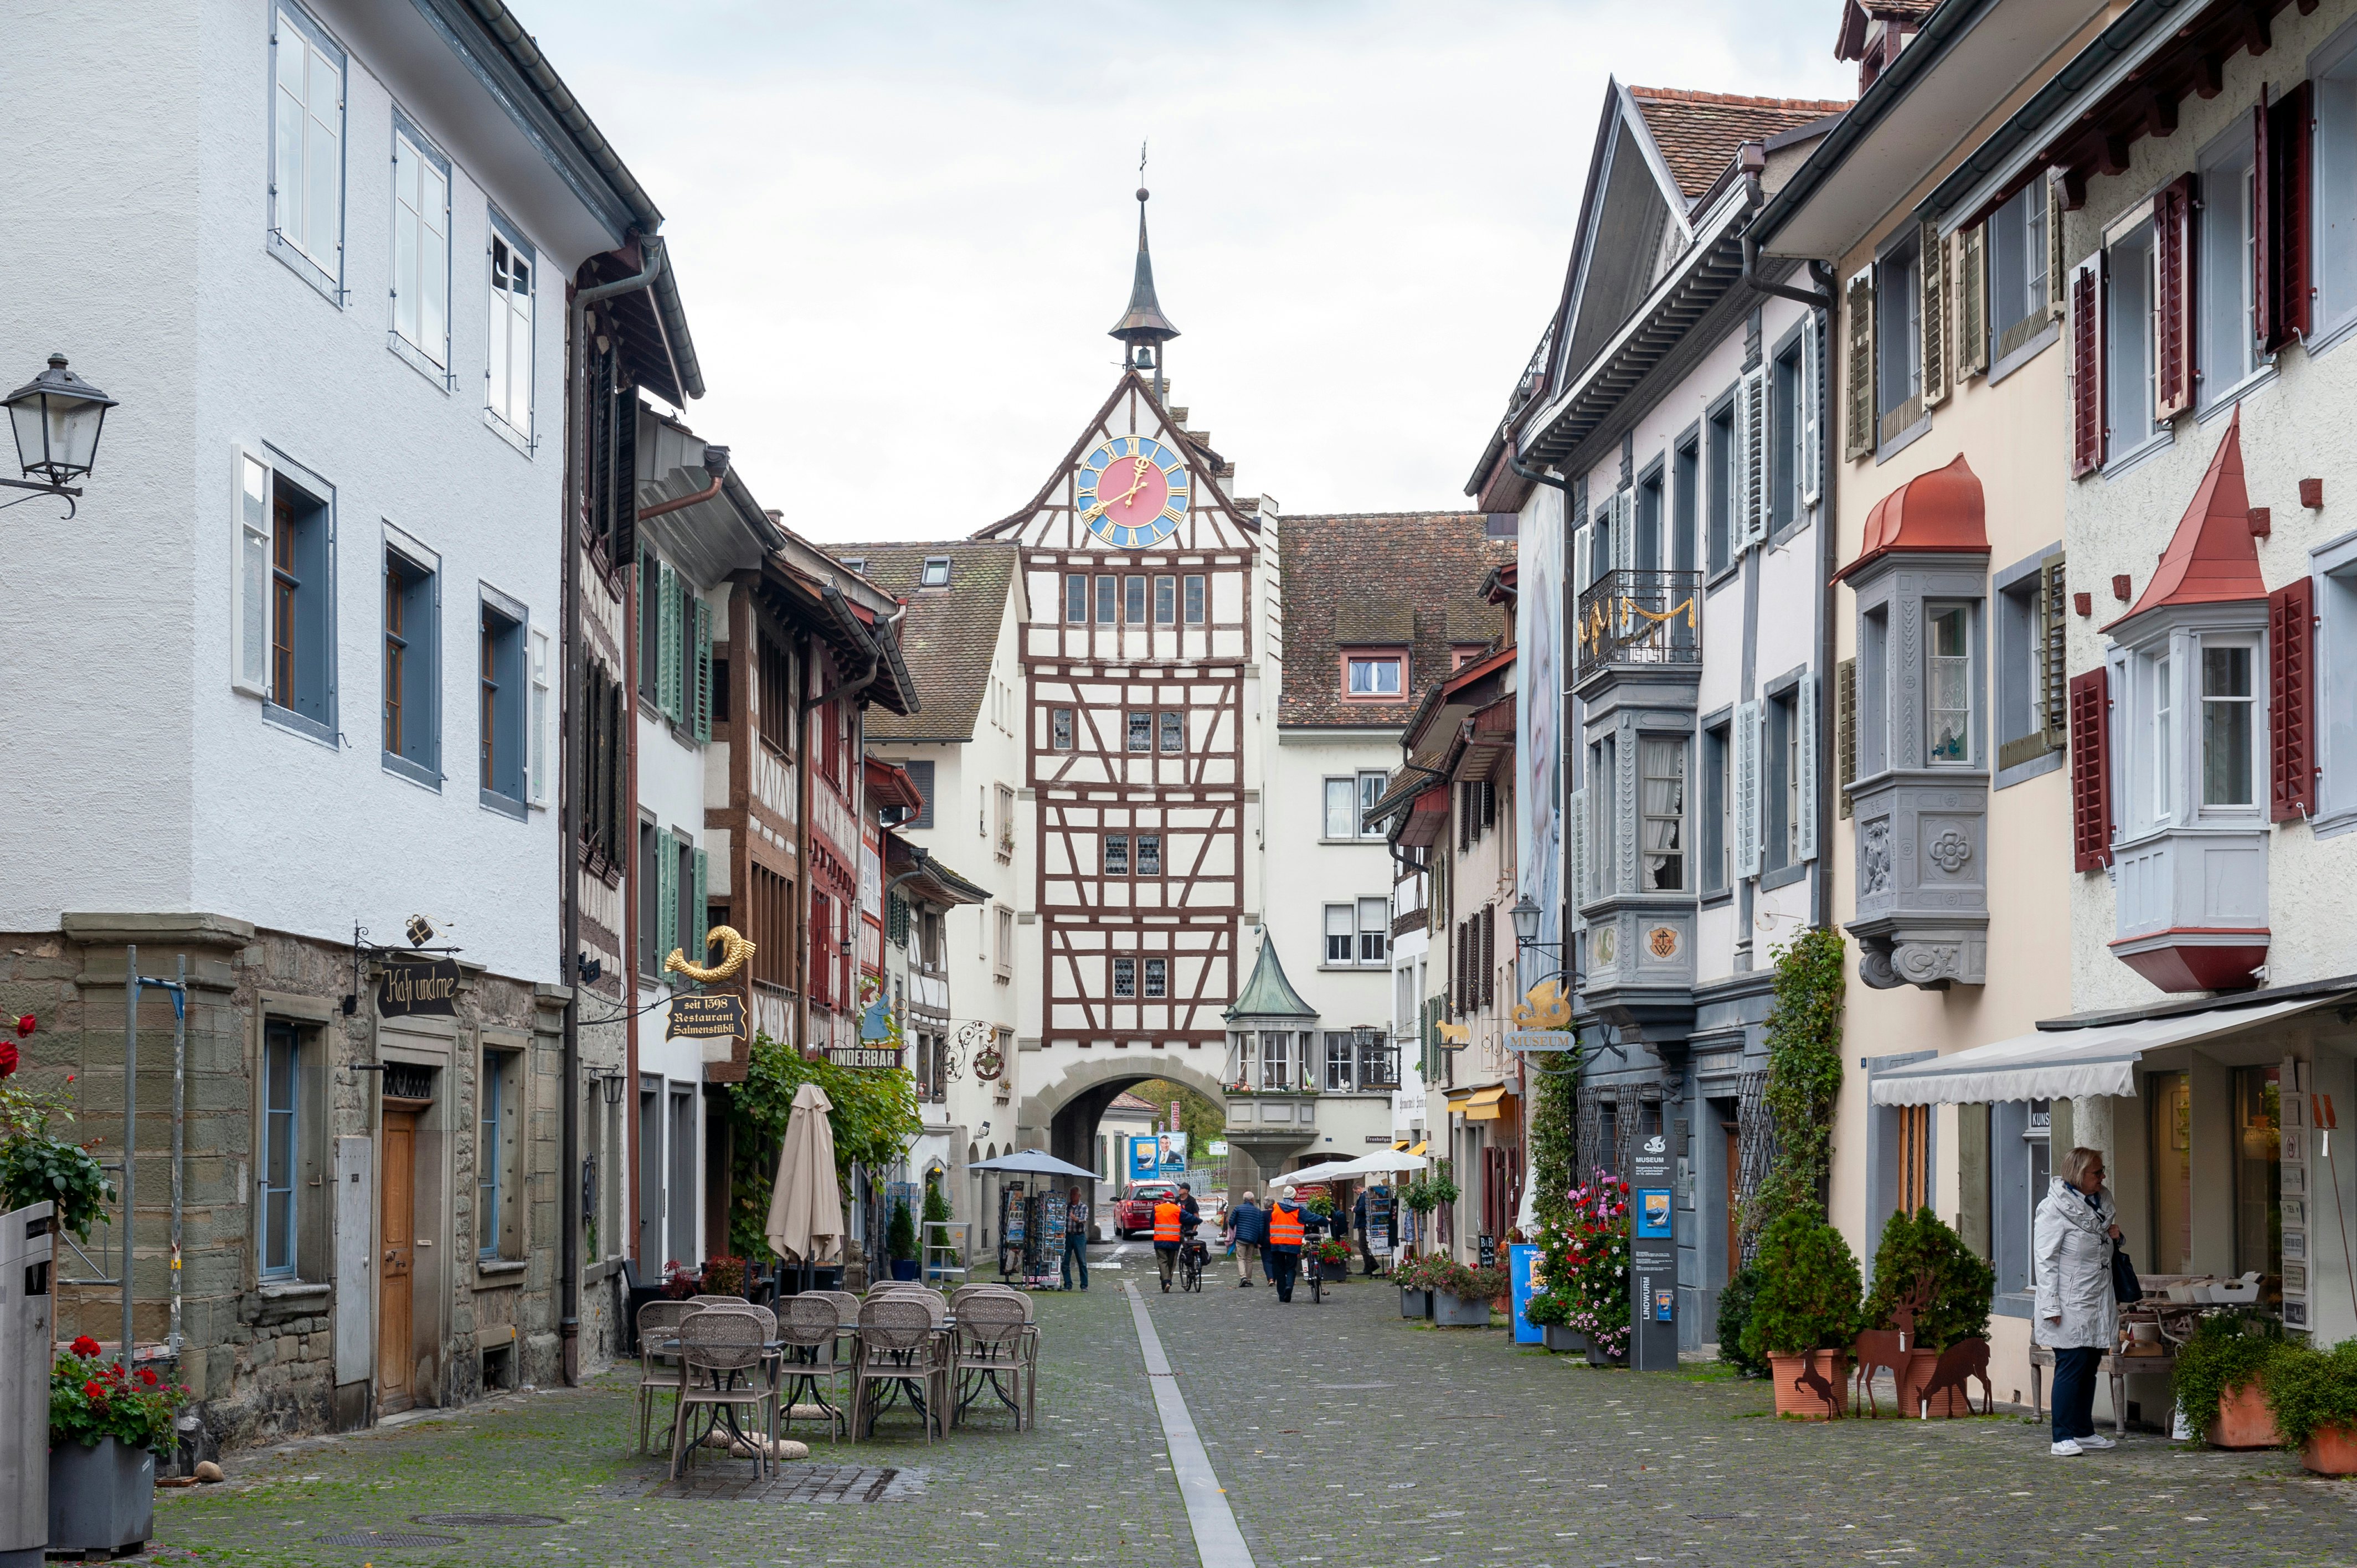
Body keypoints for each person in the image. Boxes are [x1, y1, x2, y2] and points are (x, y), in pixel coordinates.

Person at [2035, 1146, 2121, 1456]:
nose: (2103, 1176)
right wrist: (2050, 1307)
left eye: (2102, 1171)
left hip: (2097, 1296)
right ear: (2078, 1174)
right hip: (2069, 1300)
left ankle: (2083, 1431)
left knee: (2090, 1363)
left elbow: (2103, 1248)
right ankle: (2062, 1436)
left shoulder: (2101, 1204)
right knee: (2071, 1364)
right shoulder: (2053, 1209)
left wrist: (2116, 1238)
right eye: (2097, 1172)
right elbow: (2045, 1262)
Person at [1266, 1184, 1307, 1303]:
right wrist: (1325, 1221)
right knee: (1290, 1268)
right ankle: (1289, 1285)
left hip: (1277, 1244)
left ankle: (1282, 1295)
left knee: (1279, 1270)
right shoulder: (1299, 1209)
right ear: (1294, 1196)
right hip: (1293, 1244)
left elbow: (1267, 1222)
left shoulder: (1275, 1208)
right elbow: (1312, 1217)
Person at [1229, 1190, 1265, 1287]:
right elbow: (1261, 1228)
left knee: (1241, 1258)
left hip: (1241, 1237)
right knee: (1249, 1259)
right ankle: (1249, 1280)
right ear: (1253, 1200)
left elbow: (1231, 1222)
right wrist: (1259, 1241)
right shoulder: (1258, 1212)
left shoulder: (1238, 1209)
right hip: (1252, 1239)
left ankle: (1243, 1277)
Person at [1152, 1190, 1185, 1292]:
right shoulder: (1178, 1209)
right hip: (1174, 1241)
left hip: (1160, 1240)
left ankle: (1166, 1281)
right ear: (1173, 1200)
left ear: (1163, 1200)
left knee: (1162, 1261)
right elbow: (1188, 1219)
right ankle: (1167, 1281)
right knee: (1171, 1262)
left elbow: (1151, 1223)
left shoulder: (1157, 1209)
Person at [1061, 1185, 1090, 1291]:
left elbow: (1084, 1219)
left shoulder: (1083, 1207)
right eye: (1071, 1194)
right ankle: (1068, 1284)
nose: (1072, 1196)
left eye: (1074, 1194)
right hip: (1068, 1236)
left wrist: (1076, 1219)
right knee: (1065, 1261)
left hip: (1079, 1236)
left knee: (1082, 1262)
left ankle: (1084, 1285)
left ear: (1079, 1195)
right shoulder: (1067, 1207)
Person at [1352, 1186, 1373, 1275]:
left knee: (1362, 1245)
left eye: (1355, 1191)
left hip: (1363, 1224)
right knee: (1363, 1245)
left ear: (1358, 1188)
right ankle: (1372, 1265)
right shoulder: (1364, 1196)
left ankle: (1369, 1267)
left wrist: (1354, 1209)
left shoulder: (1363, 1196)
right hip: (1363, 1224)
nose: (1356, 1193)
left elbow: (1361, 1209)